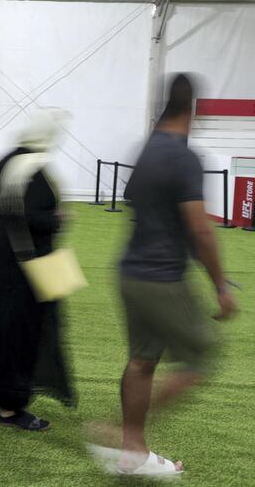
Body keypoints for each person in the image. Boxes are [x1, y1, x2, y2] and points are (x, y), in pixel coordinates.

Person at [112, 74, 237, 476]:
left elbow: (136, 204)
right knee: (200, 358)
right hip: (161, 278)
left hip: (130, 272)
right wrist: (221, 286)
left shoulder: (146, 149)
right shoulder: (184, 157)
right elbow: (199, 229)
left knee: (142, 359)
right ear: (193, 109)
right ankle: (123, 436)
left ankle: (133, 452)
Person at [0, 110, 75, 431]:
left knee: (19, 325)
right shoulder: (34, 170)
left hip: (9, 256)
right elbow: (25, 216)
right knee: (25, 329)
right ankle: (10, 408)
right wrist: (58, 218)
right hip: (28, 263)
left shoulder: (7, 162)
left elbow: (5, 211)